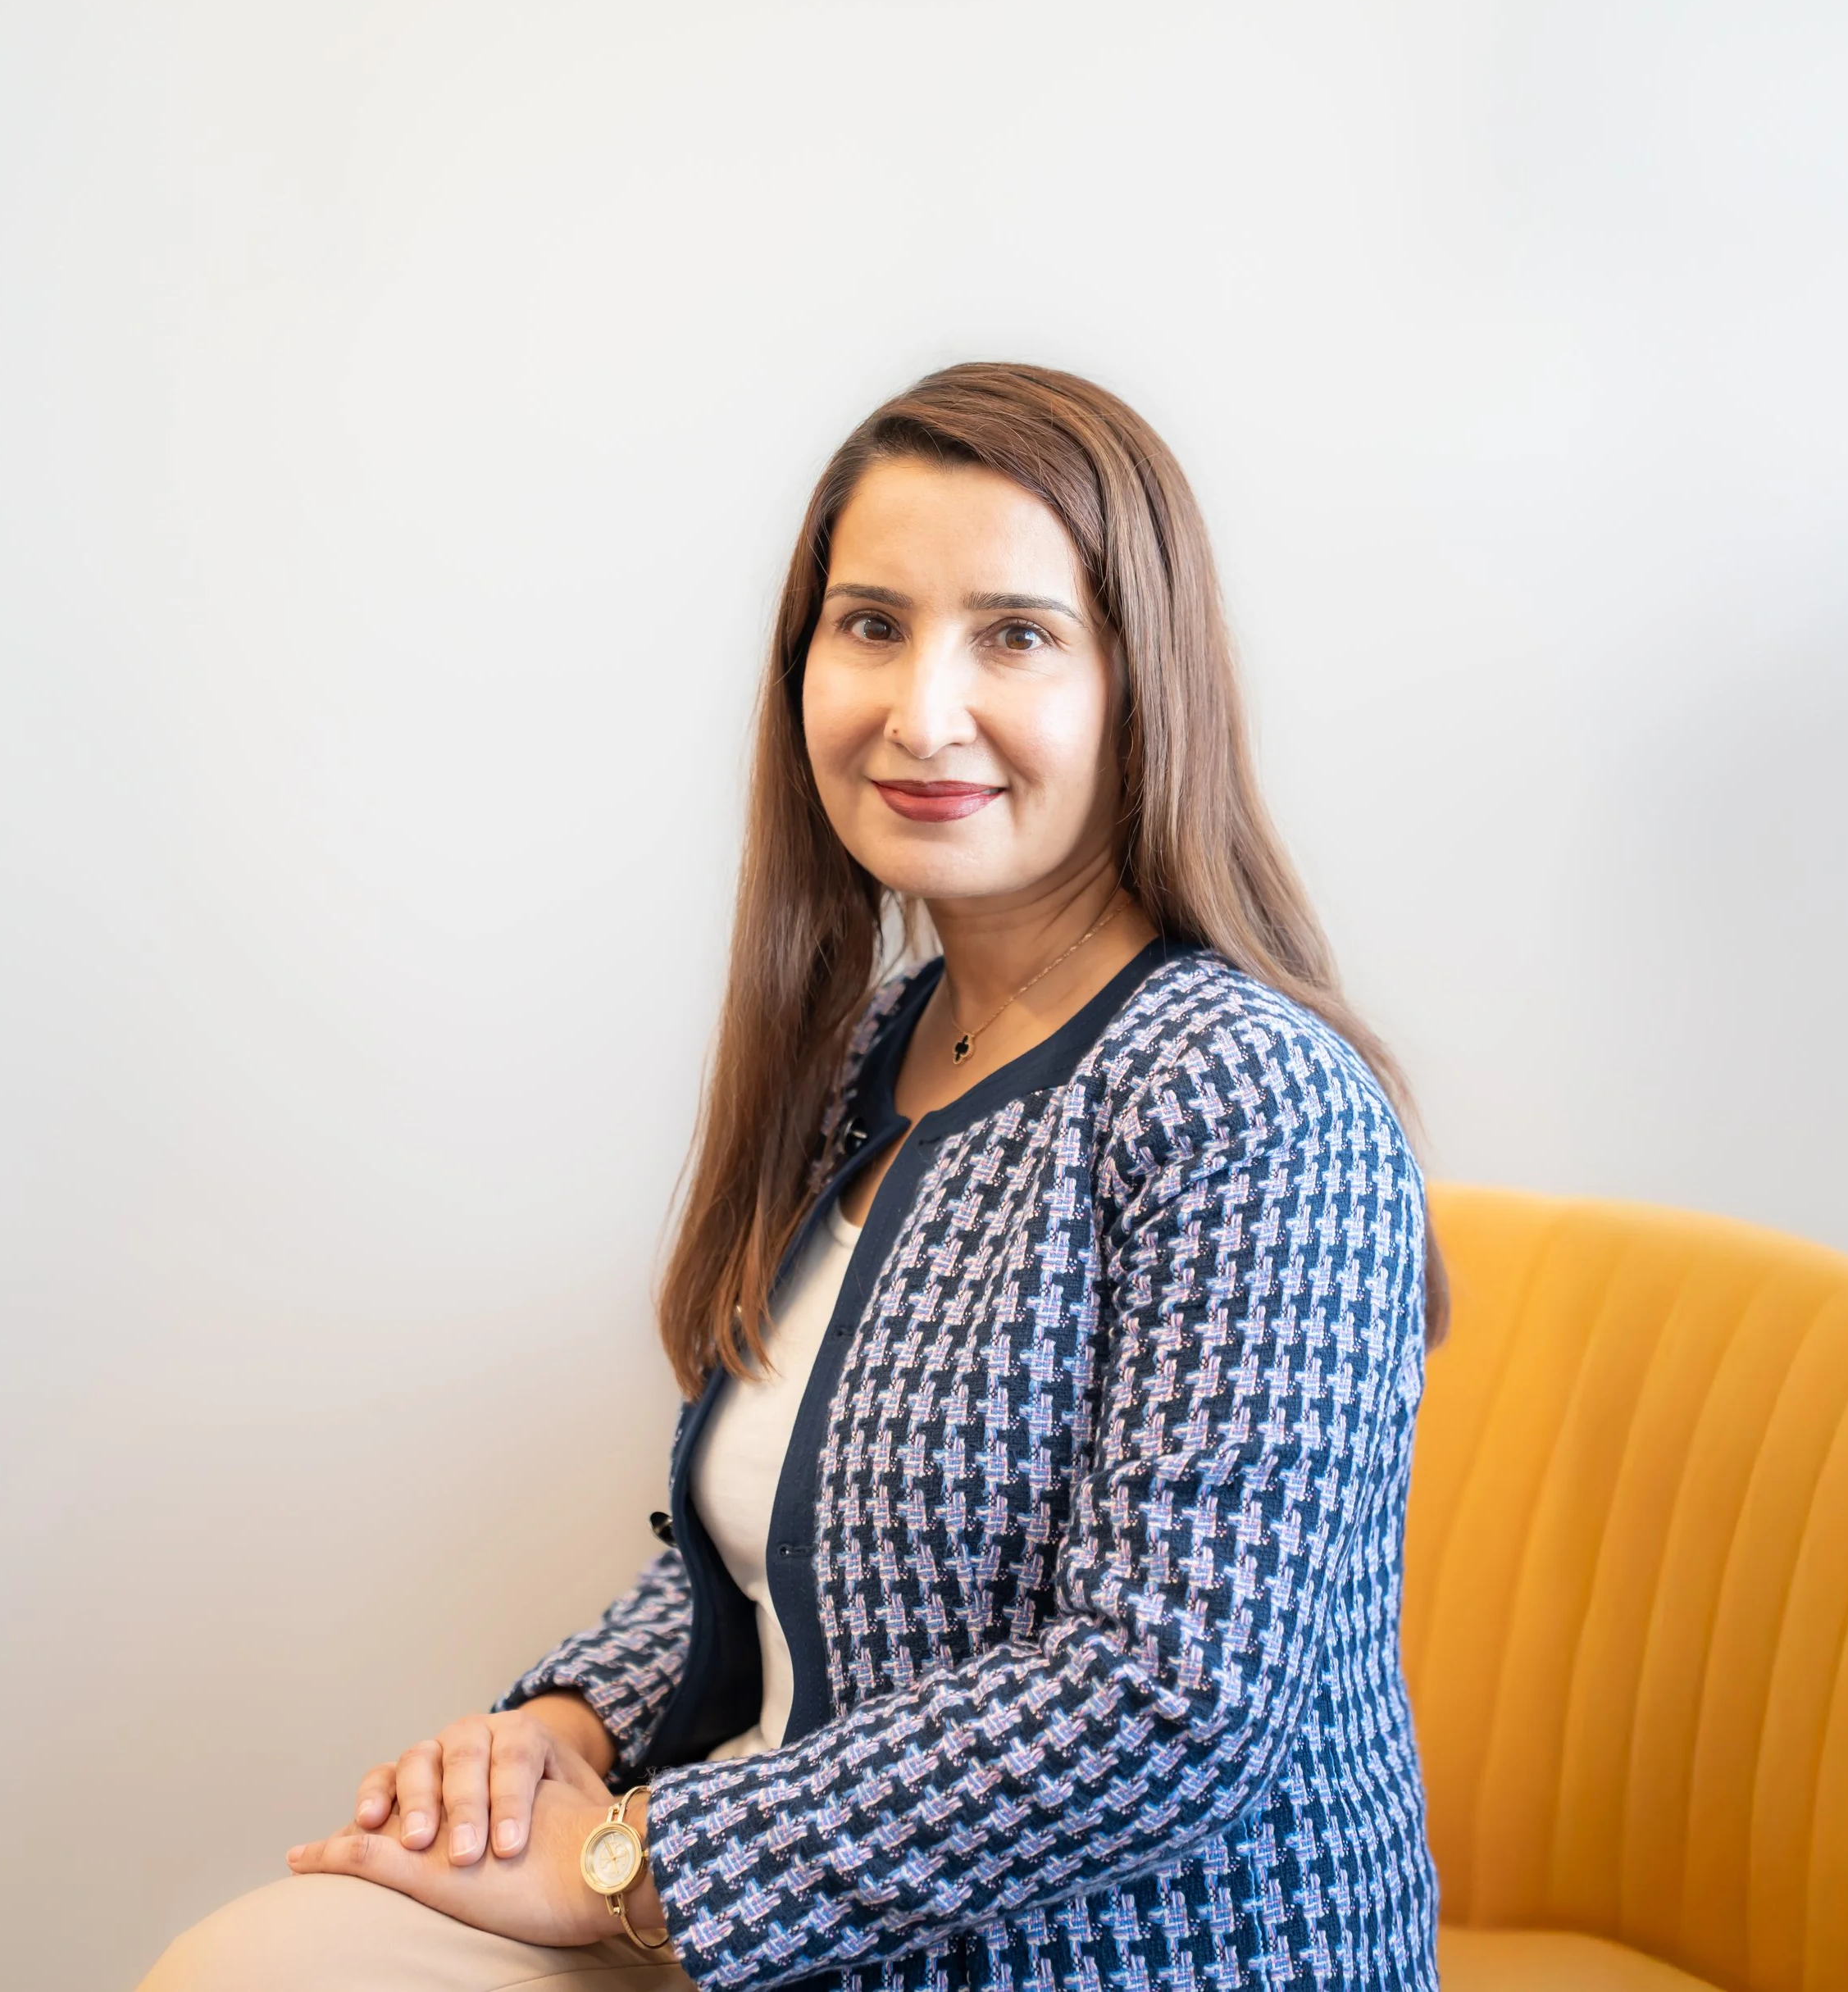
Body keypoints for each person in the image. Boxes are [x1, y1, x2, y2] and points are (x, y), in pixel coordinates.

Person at [139, 362, 1446, 1992]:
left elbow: (1171, 1693)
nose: (920, 709)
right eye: (871, 623)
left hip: (1091, 1957)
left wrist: (633, 1862)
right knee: (254, 1957)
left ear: (1139, 679)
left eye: (1016, 632)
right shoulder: (869, 1055)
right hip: (797, 1926)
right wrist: (562, 1726)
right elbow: (767, 1554)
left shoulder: (1245, 1095)